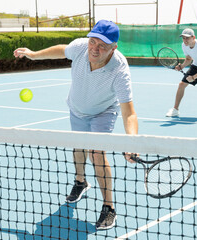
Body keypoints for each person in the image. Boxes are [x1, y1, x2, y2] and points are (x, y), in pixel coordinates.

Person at [14, 20, 138, 230]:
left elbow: (129, 112)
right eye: (93, 42)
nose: (95, 48)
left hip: (103, 111)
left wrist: (131, 141)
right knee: (78, 147)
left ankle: (109, 207)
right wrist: (34, 54)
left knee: (97, 153)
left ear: (113, 47)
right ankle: (81, 181)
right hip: (77, 108)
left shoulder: (120, 70)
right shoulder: (81, 46)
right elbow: (63, 50)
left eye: (102, 45)